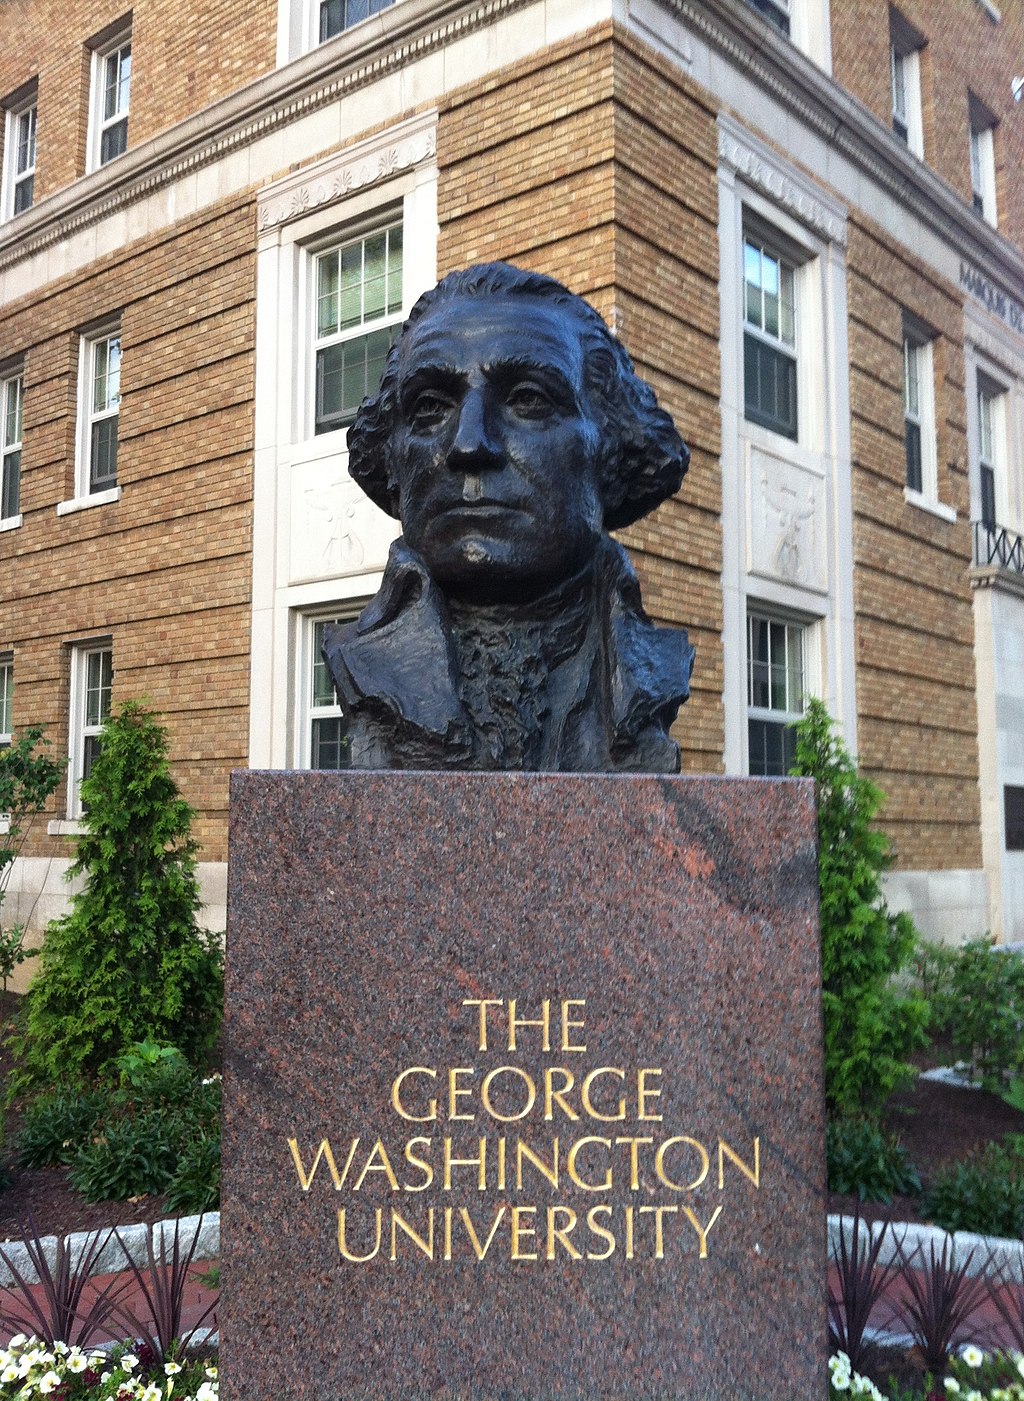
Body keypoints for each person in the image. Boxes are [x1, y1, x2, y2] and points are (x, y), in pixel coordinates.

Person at [322, 262, 695, 772]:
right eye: (430, 408)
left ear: (609, 449)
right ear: (393, 461)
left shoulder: (649, 668)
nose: (469, 444)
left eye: (527, 400)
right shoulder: (358, 661)